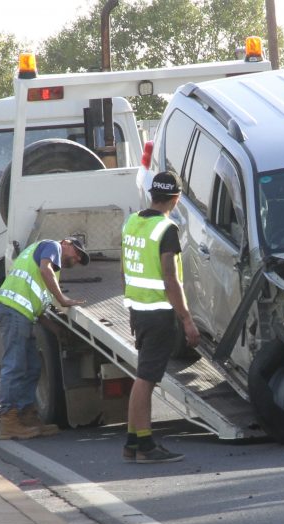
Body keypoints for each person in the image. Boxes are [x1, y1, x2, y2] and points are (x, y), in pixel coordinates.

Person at [121, 170, 199, 464]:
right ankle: (145, 446)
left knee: (143, 376)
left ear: (153, 194)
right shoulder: (167, 229)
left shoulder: (132, 222)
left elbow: (125, 268)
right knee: (146, 379)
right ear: (176, 199)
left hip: (138, 309)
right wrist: (187, 319)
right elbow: (170, 279)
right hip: (158, 313)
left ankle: (132, 442)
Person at [0, 237, 89, 440]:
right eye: (77, 253)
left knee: (33, 366)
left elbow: (39, 311)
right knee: (16, 364)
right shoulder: (51, 246)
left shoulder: (50, 271)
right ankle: (9, 421)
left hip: (22, 314)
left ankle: (26, 417)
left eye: (80, 258)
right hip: (13, 310)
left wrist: (58, 332)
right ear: (66, 242)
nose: (77, 259)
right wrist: (63, 299)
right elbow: (46, 270)